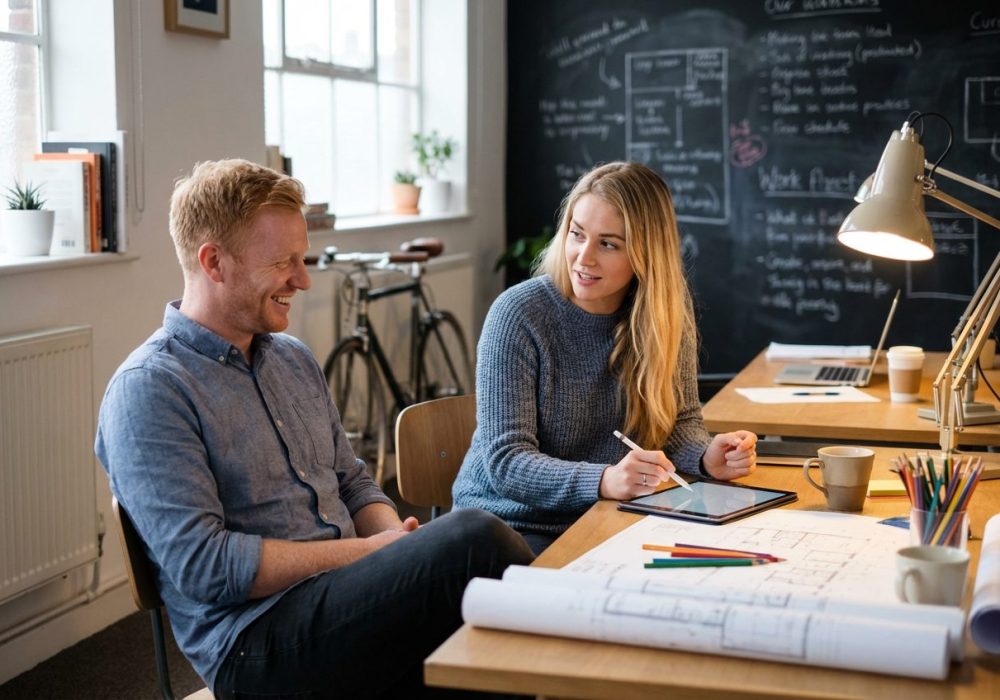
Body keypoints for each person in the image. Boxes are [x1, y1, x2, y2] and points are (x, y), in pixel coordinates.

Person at [95, 159, 533, 699]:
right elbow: (205, 566)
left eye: (301, 259)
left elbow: (351, 482)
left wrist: (395, 542)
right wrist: (372, 555)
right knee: (472, 541)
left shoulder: (293, 359)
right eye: (283, 262)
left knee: (481, 634)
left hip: (344, 603)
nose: (302, 280)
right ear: (213, 262)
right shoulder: (150, 389)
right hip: (254, 644)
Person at [452, 161, 757, 554]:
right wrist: (605, 480)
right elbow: (507, 462)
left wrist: (705, 456)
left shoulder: (663, 317)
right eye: (577, 234)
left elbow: (679, 422)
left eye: (608, 244)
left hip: (611, 516)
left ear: (646, 254)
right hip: (511, 527)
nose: (583, 257)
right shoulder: (518, 314)